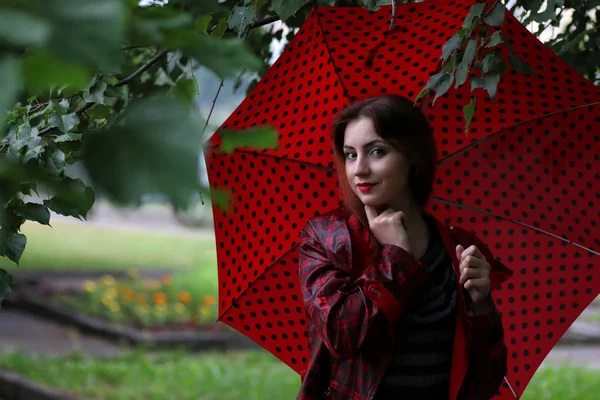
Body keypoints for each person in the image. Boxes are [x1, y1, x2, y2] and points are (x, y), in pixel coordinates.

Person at [296, 95, 513, 400]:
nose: (359, 169)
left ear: (412, 155)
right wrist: (395, 260)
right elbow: (341, 335)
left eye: (376, 151)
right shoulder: (326, 239)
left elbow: (486, 381)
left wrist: (480, 307)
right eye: (350, 155)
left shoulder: (456, 247)